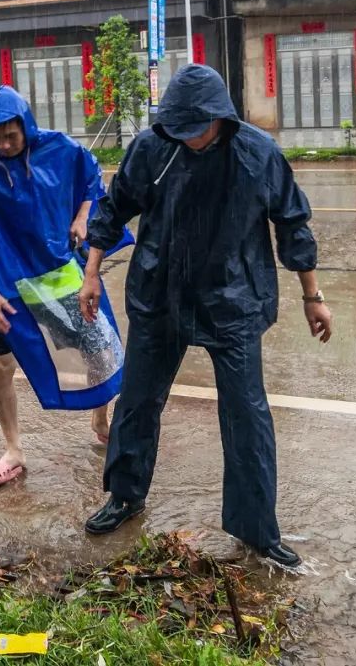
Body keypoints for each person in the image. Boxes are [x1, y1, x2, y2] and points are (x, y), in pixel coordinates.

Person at [78, 65, 333, 568]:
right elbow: (114, 208)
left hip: (232, 298)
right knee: (138, 401)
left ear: (220, 119)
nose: (185, 136)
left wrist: (312, 295)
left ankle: (256, 528)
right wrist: (91, 273)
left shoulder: (259, 154)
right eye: (177, 126)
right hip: (160, 291)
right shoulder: (152, 148)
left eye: (194, 127)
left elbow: (293, 225)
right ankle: (125, 495)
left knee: (246, 414)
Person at [0, 85, 124, 487]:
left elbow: (92, 177)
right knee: (1, 365)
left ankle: (101, 414)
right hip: (10, 282)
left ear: (26, 126)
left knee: (97, 352)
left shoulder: (59, 149)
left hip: (60, 272)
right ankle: (13, 450)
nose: (2, 144)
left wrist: (85, 215)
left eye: (10, 135)